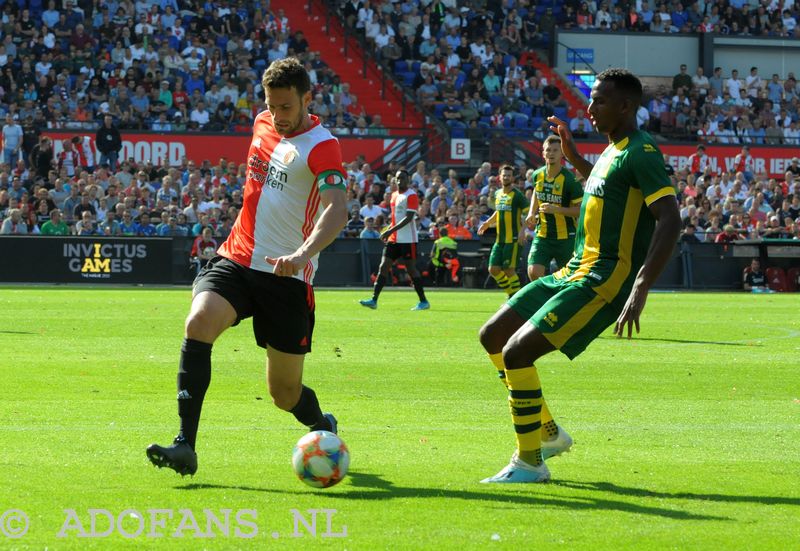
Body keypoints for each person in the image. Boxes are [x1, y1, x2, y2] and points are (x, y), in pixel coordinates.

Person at [146, 57, 348, 476]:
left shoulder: (323, 146)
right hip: (237, 257)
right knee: (198, 322)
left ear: (308, 99)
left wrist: (302, 254)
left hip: (286, 276)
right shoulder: (262, 123)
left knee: (284, 393)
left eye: (287, 107)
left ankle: (321, 425)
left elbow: (337, 211)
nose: (277, 115)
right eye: (271, 105)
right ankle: (185, 444)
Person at [478, 68, 681, 483]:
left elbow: (670, 219)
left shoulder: (641, 151)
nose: (590, 107)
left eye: (601, 100)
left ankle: (530, 461)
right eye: (591, 98)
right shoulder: (611, 151)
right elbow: (609, 189)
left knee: (518, 352)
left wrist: (640, 286)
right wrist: (574, 158)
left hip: (603, 278)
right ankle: (548, 432)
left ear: (626, 106)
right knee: (493, 336)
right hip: (573, 269)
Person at [359, 169, 430, 310]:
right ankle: (374, 300)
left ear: (408, 180)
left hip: (408, 239)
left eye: (402, 178)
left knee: (411, 269)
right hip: (394, 239)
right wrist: (387, 231)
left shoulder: (411, 195)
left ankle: (423, 301)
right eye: (397, 178)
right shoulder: (394, 195)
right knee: (383, 266)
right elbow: (394, 219)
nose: (399, 181)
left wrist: (389, 231)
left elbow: (409, 218)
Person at [526, 135, 583, 283]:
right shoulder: (537, 175)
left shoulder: (570, 180)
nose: (551, 153)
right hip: (543, 234)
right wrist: (532, 212)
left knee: (572, 279)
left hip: (566, 237)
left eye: (555, 150)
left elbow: (581, 210)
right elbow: (536, 194)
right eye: (548, 150)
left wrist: (556, 209)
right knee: (533, 272)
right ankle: (546, 300)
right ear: (543, 153)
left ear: (562, 153)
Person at [477, 164, 529, 297]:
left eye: (509, 175)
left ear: (513, 178)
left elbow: (527, 215)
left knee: (509, 270)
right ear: (499, 177)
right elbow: (498, 212)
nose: (506, 177)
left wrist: (523, 230)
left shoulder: (518, 196)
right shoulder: (497, 193)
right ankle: (512, 294)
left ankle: (515, 299)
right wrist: (487, 223)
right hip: (500, 239)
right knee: (493, 269)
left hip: (513, 239)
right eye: (504, 175)